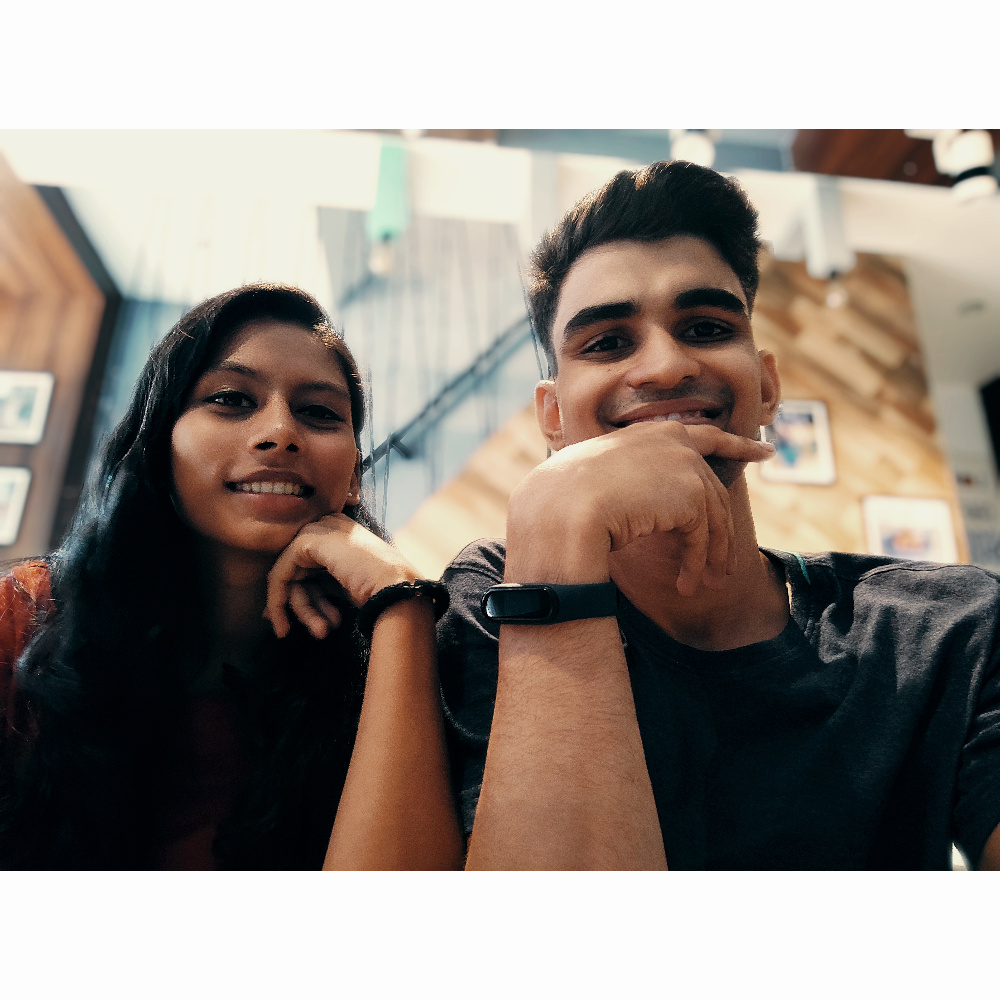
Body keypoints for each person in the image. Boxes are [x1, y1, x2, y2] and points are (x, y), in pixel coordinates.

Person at [437, 160, 1000, 870]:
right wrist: (552, 522)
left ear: (766, 386)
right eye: (607, 343)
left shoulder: (946, 628)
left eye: (705, 327)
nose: (666, 367)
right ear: (552, 416)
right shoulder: (492, 598)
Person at [0, 284, 463, 870]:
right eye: (231, 399)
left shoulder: (393, 662)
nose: (281, 432)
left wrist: (401, 603)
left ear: (352, 477)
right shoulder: (23, 622)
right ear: (158, 443)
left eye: (319, 413)